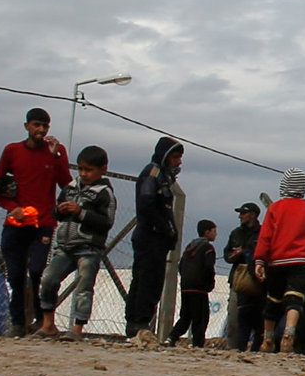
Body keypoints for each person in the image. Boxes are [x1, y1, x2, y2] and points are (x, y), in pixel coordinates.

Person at [0, 108, 71, 334]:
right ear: (27, 126)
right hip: (16, 223)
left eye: (45, 126)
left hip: (43, 223)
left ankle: (40, 320)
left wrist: (56, 157)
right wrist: (11, 208)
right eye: (37, 125)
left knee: (36, 272)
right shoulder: (12, 151)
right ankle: (17, 323)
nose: (41, 130)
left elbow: (66, 184)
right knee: (15, 275)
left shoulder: (57, 152)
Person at [35, 145, 115, 338]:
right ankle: (47, 324)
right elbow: (55, 212)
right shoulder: (70, 188)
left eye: (89, 170)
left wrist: (81, 213)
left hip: (89, 247)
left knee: (84, 287)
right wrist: (60, 211)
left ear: (102, 169)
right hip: (64, 245)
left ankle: (77, 327)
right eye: (81, 169)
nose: (84, 174)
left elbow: (106, 222)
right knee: (48, 279)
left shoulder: (104, 193)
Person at [250, 172, 305, 352]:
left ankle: (267, 339)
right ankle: (289, 333)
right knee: (295, 298)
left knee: (273, 298)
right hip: (301, 259)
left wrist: (260, 260)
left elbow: (265, 236)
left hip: (276, 261)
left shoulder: (275, 208)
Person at [125, 138, 184, 339]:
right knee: (147, 280)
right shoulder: (154, 174)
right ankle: (139, 322)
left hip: (155, 237)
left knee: (146, 279)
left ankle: (137, 322)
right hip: (150, 236)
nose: (178, 162)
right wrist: (165, 228)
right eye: (175, 157)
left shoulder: (163, 176)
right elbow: (147, 204)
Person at [220, 200, 264, 350]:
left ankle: (256, 350)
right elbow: (227, 254)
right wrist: (234, 255)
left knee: (259, 318)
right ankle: (233, 349)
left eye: (243, 213)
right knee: (235, 316)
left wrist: (245, 251)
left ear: (253, 215)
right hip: (238, 280)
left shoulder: (264, 232)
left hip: (258, 281)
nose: (240, 216)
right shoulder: (236, 233)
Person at [171, 218, 218, 346]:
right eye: (214, 231)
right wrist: (209, 283)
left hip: (186, 286)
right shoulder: (208, 248)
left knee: (186, 316)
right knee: (201, 318)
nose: (216, 234)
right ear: (207, 232)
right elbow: (209, 267)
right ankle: (198, 344)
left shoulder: (190, 247)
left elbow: (181, 266)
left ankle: (172, 337)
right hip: (199, 289)